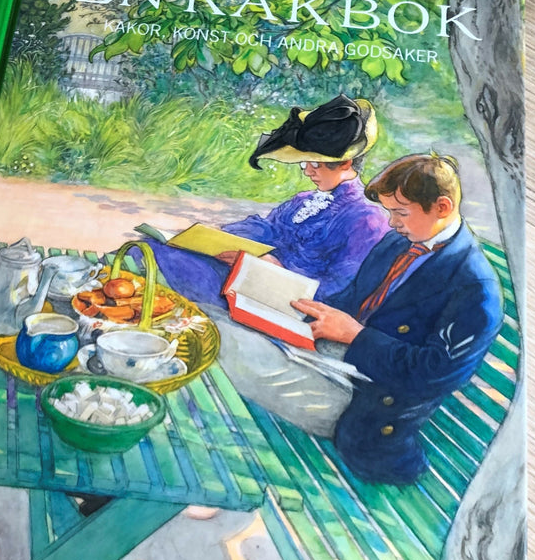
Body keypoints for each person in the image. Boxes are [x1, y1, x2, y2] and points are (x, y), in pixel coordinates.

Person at [292, 153, 504, 484]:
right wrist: (300, 308)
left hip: (373, 412)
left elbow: (432, 372)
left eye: (400, 212)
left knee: (244, 357)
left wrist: (355, 336)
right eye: (390, 212)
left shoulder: (475, 287)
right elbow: (352, 298)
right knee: (247, 338)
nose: (392, 223)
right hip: (337, 366)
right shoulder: (398, 242)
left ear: (442, 207)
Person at [140, 94, 389, 305]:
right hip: (248, 273)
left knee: (166, 262)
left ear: (345, 163)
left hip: (281, 298)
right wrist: (217, 239)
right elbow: (266, 228)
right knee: (155, 248)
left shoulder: (367, 219)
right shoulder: (303, 201)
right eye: (304, 162)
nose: (306, 171)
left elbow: (337, 288)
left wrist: (273, 269)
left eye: (314, 163)